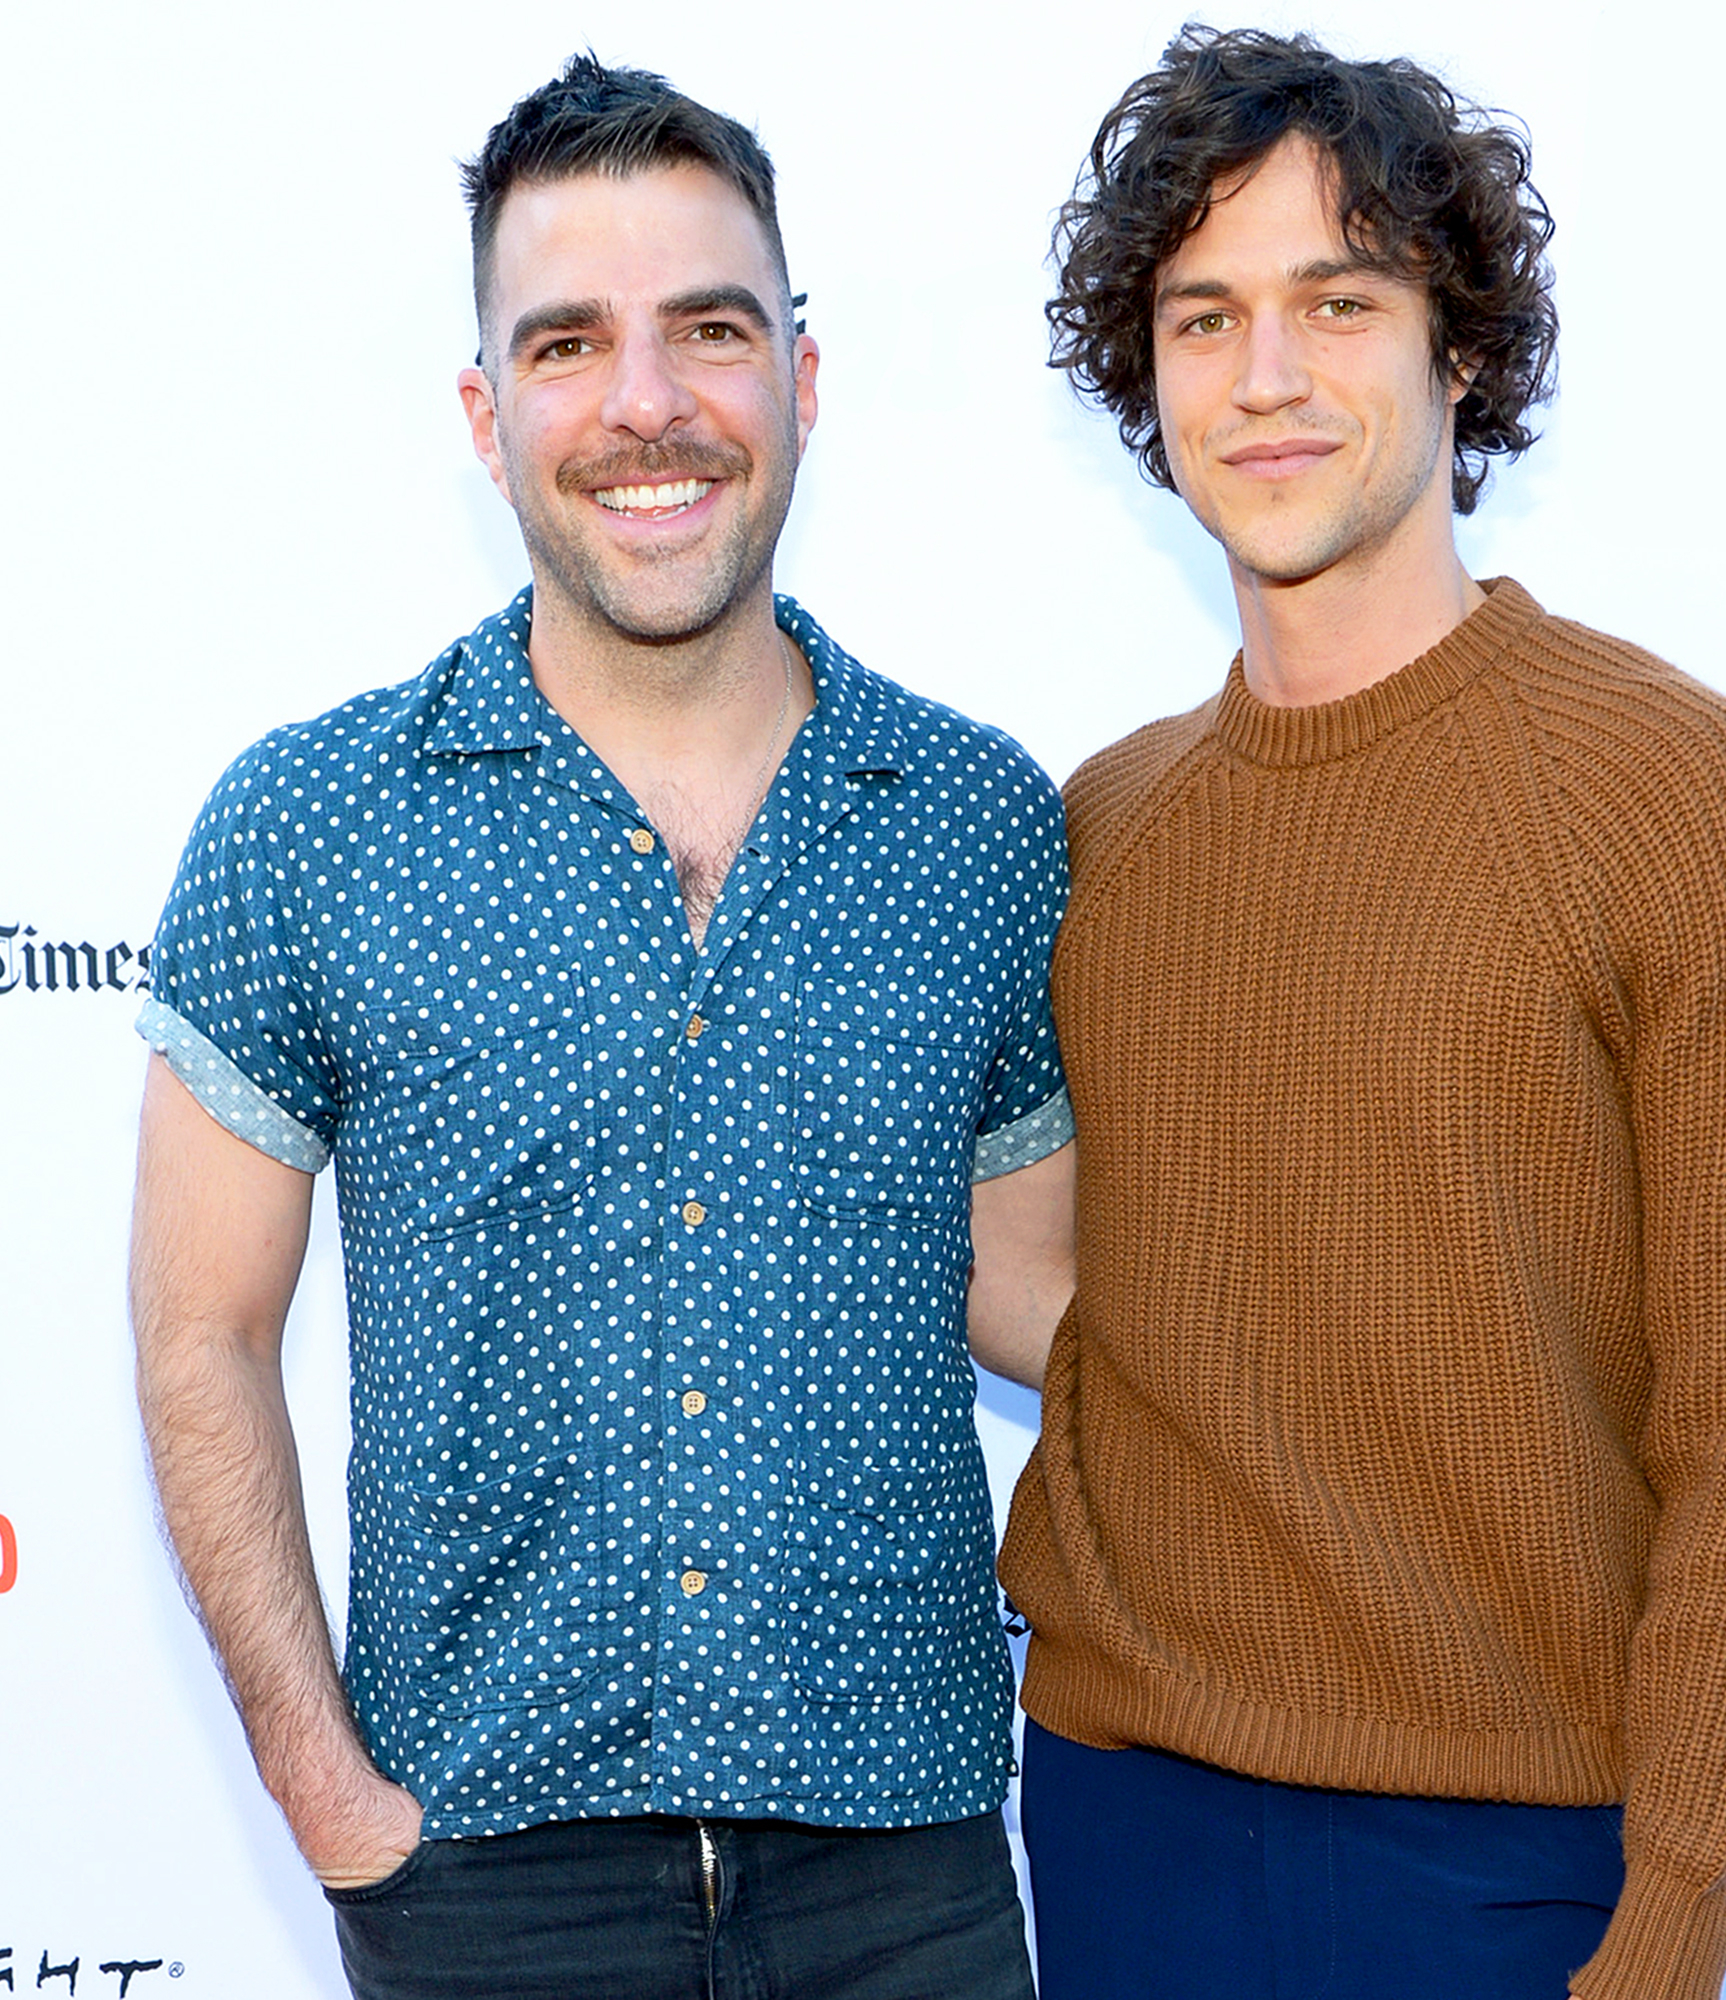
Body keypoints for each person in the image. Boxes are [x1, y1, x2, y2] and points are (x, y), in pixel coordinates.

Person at [130, 54, 1071, 2000]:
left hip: (904, 1872)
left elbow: (1058, 1305)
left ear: (802, 377)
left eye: (708, 331)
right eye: (569, 343)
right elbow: (197, 1333)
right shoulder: (310, 823)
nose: (647, 404)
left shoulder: (984, 827)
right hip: (482, 1877)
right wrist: (330, 1801)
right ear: (488, 416)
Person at [994, 26, 1726, 2000]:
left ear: (1456, 349)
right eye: (1201, 317)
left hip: (1514, 1870)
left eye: (1336, 300)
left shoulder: (1683, 793)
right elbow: (1081, 1292)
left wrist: (1673, 1927)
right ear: (1147, 378)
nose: (1267, 374)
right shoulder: (1096, 827)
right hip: (1119, 1827)